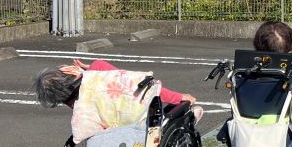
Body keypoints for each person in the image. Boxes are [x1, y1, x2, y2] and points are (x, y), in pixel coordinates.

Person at [35, 58, 198, 113]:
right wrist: (180, 97)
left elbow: (83, 85)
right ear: (68, 69)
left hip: (112, 131)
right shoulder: (99, 67)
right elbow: (137, 84)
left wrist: (87, 71)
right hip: (139, 117)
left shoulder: (73, 102)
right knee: (182, 109)